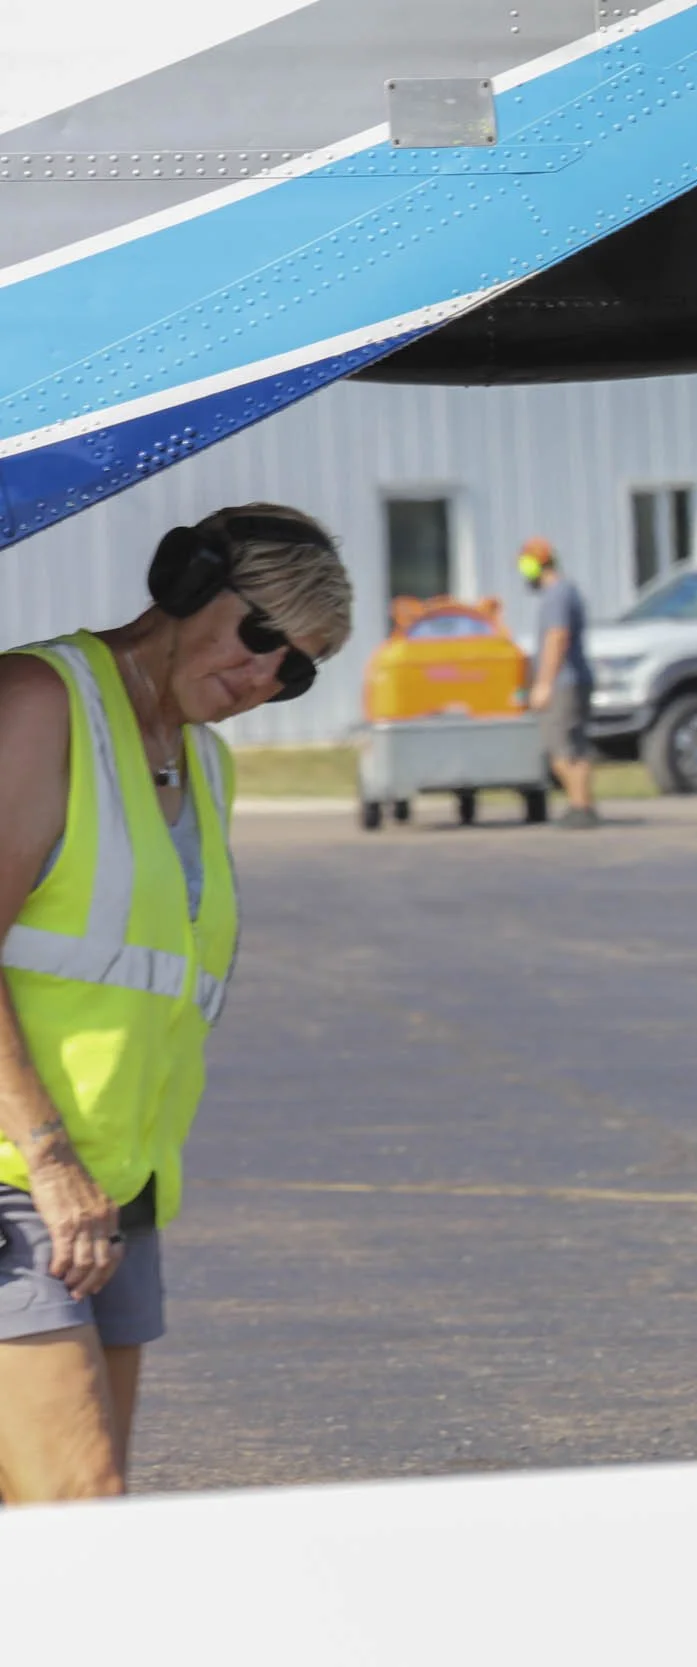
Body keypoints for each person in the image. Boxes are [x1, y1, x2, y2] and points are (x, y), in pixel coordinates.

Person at [0, 505, 351, 1501]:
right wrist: (54, 1160)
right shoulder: (42, 701)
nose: (265, 676)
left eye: (301, 667)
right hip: (24, 1177)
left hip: (111, 1201)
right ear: (187, 583)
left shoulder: (204, 763)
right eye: (260, 635)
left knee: (44, 1531)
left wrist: (100, 1181)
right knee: (86, 1514)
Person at [519, 538, 597, 829]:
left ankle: (580, 806)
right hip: (575, 679)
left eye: (525, 566)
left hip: (563, 682)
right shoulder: (568, 591)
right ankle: (584, 805)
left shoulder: (556, 596)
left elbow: (557, 637)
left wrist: (543, 684)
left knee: (561, 749)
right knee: (575, 745)